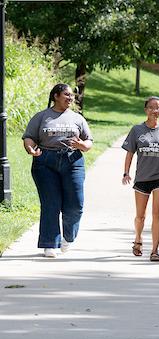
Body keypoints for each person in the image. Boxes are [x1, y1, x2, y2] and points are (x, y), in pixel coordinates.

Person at [22, 83, 93, 258]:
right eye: (66, 95)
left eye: (72, 95)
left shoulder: (78, 118)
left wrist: (81, 145)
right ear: (55, 96)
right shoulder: (42, 117)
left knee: (75, 204)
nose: (70, 98)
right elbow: (29, 137)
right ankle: (50, 243)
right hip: (45, 162)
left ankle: (68, 237)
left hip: (72, 161)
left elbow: (88, 142)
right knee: (50, 204)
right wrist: (31, 149)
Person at [122, 96, 159, 262]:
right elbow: (130, 152)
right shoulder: (137, 130)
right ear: (146, 110)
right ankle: (138, 238)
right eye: (151, 107)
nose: (154, 110)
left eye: (158, 107)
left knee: (157, 214)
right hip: (142, 178)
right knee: (140, 216)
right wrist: (126, 172)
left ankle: (155, 250)